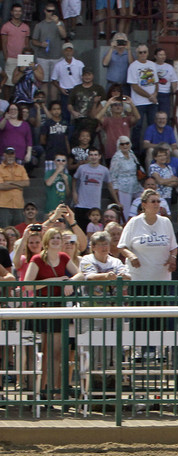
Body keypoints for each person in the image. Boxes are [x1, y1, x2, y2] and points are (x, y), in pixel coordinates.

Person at [24, 226, 79, 395]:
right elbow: (28, 284)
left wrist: (69, 282)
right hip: (41, 307)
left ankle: (52, 391)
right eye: (53, 237)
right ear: (47, 241)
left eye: (58, 237)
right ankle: (37, 391)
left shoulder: (64, 257)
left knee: (55, 353)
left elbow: (80, 274)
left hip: (58, 307)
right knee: (40, 353)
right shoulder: (37, 259)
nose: (56, 240)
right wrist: (54, 280)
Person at [30, 2, 66, 103]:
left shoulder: (60, 23)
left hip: (57, 57)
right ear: (45, 11)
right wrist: (41, 44)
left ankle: (53, 106)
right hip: (43, 57)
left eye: (53, 11)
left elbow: (64, 35)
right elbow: (33, 41)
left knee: (55, 83)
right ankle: (44, 107)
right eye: (49, 11)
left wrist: (58, 23)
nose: (51, 13)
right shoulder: (39, 25)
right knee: (44, 82)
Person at [72, 147, 115, 229]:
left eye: (95, 155)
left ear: (99, 156)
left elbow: (110, 185)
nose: (93, 157)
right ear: (88, 156)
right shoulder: (82, 168)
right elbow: (74, 179)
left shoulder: (104, 170)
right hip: (81, 205)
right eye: (91, 155)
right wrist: (74, 192)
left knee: (94, 231)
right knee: (79, 229)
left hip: (95, 206)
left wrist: (117, 201)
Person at [126, 44, 158, 147]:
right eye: (140, 52)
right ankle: (135, 152)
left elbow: (156, 83)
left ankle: (153, 150)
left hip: (152, 102)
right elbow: (134, 86)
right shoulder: (133, 66)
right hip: (138, 103)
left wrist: (155, 94)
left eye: (145, 52)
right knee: (137, 127)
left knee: (153, 126)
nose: (143, 54)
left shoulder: (153, 64)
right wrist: (150, 96)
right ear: (137, 54)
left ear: (148, 53)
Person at [95, 95, 139, 160]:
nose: (118, 106)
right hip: (111, 152)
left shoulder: (127, 119)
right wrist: (108, 104)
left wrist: (131, 103)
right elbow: (97, 117)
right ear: (111, 108)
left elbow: (137, 117)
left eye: (120, 105)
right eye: (115, 105)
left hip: (125, 152)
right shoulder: (107, 120)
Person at [0, 4, 29, 101]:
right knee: (8, 83)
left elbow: (27, 44)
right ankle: (7, 103)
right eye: (15, 11)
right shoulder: (6, 27)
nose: (17, 13)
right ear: (11, 12)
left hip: (23, 58)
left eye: (19, 11)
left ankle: (19, 102)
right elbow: (3, 43)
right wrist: (6, 56)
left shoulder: (26, 27)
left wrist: (27, 58)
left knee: (21, 81)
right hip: (11, 57)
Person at [66, 68, 105, 137]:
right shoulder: (76, 88)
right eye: (85, 75)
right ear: (82, 76)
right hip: (79, 120)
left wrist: (100, 122)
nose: (87, 77)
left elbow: (104, 105)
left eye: (89, 75)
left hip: (93, 121)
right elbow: (69, 104)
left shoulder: (99, 88)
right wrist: (73, 112)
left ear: (93, 76)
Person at [50, 42, 83, 121]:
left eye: (70, 50)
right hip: (65, 91)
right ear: (63, 52)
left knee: (79, 113)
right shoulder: (58, 65)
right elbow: (53, 80)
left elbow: (84, 77)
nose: (68, 52)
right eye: (66, 51)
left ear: (73, 51)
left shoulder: (79, 64)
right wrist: (60, 88)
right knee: (65, 114)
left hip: (77, 91)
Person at [108, 134, 139, 213]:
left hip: (135, 184)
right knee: (125, 210)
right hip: (123, 187)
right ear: (119, 145)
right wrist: (115, 188)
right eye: (122, 144)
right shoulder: (116, 157)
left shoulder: (131, 154)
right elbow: (113, 174)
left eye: (127, 143)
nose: (125, 146)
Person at [0, 144, 27, 226]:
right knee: (5, 230)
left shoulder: (21, 168)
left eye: (12, 154)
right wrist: (18, 185)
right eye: (8, 154)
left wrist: (9, 183)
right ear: (4, 155)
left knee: (19, 231)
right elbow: (1, 186)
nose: (10, 156)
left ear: (14, 155)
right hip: (4, 205)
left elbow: (26, 183)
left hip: (19, 205)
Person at [39, 99, 69, 165]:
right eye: (54, 109)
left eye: (58, 109)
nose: (56, 111)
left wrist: (68, 152)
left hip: (63, 153)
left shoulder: (65, 123)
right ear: (50, 111)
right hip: (51, 154)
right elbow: (42, 140)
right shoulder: (47, 124)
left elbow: (66, 138)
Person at [101, 32, 131, 97]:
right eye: (118, 41)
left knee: (125, 105)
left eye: (122, 41)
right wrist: (112, 48)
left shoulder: (129, 54)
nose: (120, 43)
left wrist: (128, 49)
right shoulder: (110, 53)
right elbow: (104, 63)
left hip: (125, 86)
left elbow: (132, 64)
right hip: (111, 85)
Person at [153, 48, 178, 117]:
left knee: (165, 114)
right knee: (154, 115)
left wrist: (174, 91)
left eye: (164, 54)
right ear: (155, 56)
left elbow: (174, 80)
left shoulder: (169, 67)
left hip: (165, 94)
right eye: (160, 55)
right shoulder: (151, 65)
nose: (163, 56)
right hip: (154, 94)